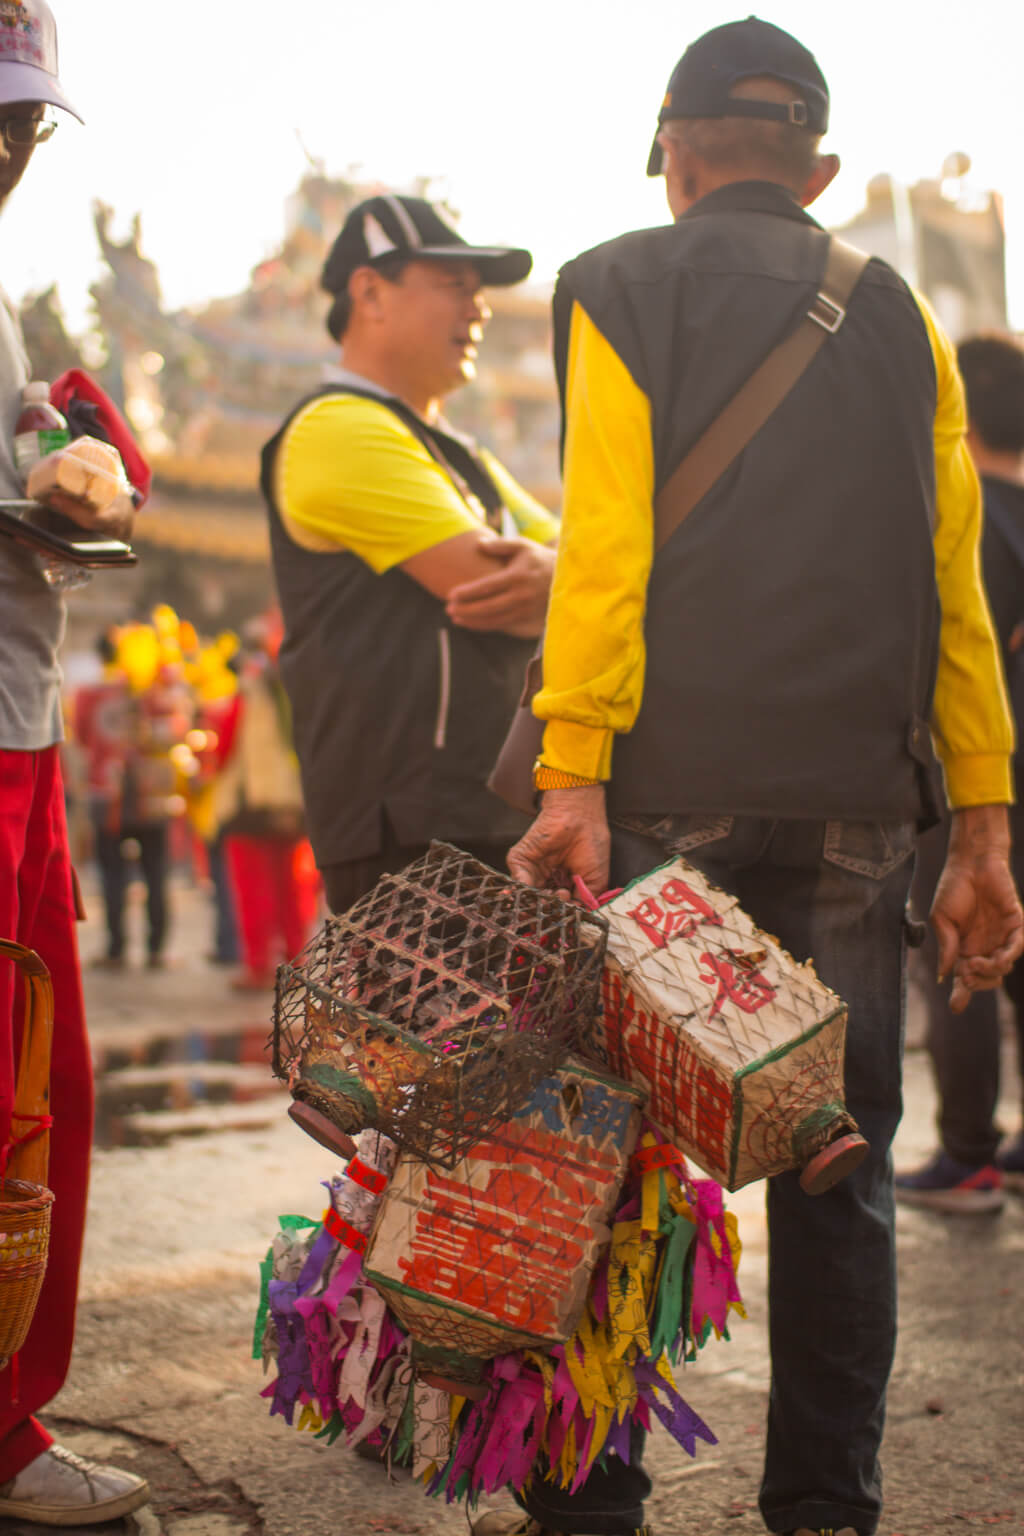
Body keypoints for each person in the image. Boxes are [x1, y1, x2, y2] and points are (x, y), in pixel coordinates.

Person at [490, 18, 1023, 1536]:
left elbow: (603, 547)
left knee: (617, 1143)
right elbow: (955, 591)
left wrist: (573, 770)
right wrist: (983, 824)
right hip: (864, 805)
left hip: (670, 796)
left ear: (671, 148)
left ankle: (593, 1499)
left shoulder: (613, 283)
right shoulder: (902, 312)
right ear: (824, 169)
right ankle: (826, 1510)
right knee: (838, 1161)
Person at [0, 2, 150, 1523]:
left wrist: (71, 459)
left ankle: (9, 1423)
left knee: (36, 1090)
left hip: (22, 728)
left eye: (27, 116)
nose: (12, 146)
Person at [262, 193, 558, 914]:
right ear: (370, 292)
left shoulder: (461, 453)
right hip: (412, 845)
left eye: (482, 292)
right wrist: (562, 578)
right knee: (435, 1032)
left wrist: (559, 576)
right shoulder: (339, 428)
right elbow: (489, 584)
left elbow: (577, 563)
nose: (480, 309)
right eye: (455, 285)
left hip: (478, 822)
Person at [896, 333, 1024, 1212]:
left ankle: (969, 1151)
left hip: (977, 772)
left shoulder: (975, 518)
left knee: (964, 952)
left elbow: (957, 648)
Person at [213, 621, 318, 988]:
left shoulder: (247, 696)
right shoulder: (302, 696)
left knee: (253, 890)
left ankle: (258, 967)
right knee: (293, 887)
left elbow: (223, 749)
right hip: (294, 805)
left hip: (250, 808)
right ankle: (297, 961)